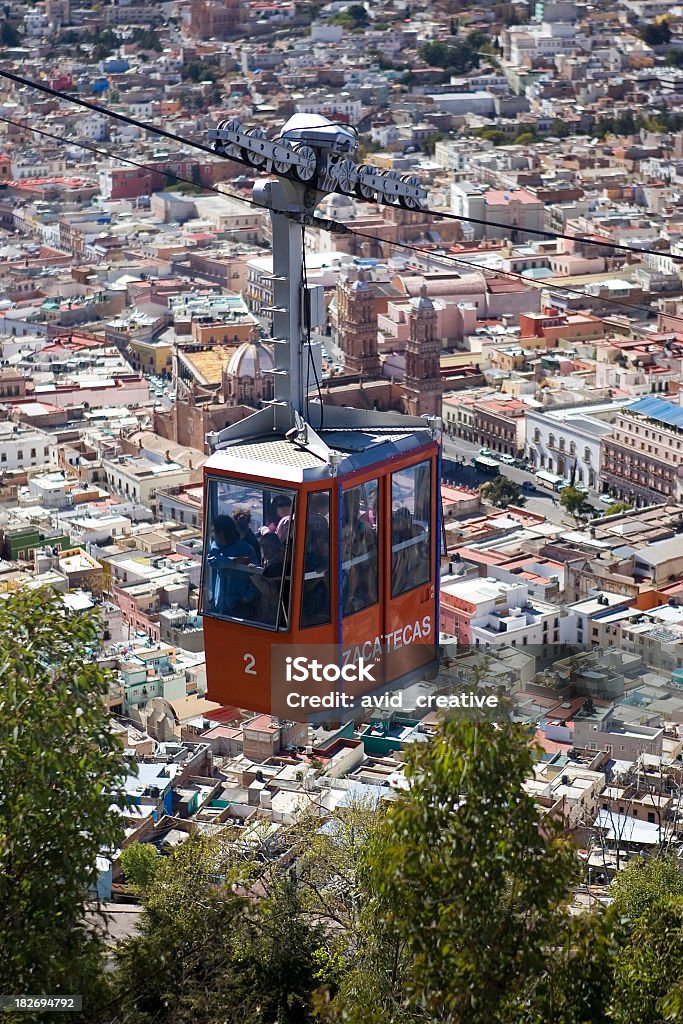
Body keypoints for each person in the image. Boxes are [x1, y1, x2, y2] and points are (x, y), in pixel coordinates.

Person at [206, 515, 257, 617]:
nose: (213, 535)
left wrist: (246, 598)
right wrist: (233, 560)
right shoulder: (216, 545)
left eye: (215, 532)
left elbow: (256, 578)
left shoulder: (246, 549)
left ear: (223, 532)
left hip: (239, 605)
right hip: (220, 603)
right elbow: (212, 561)